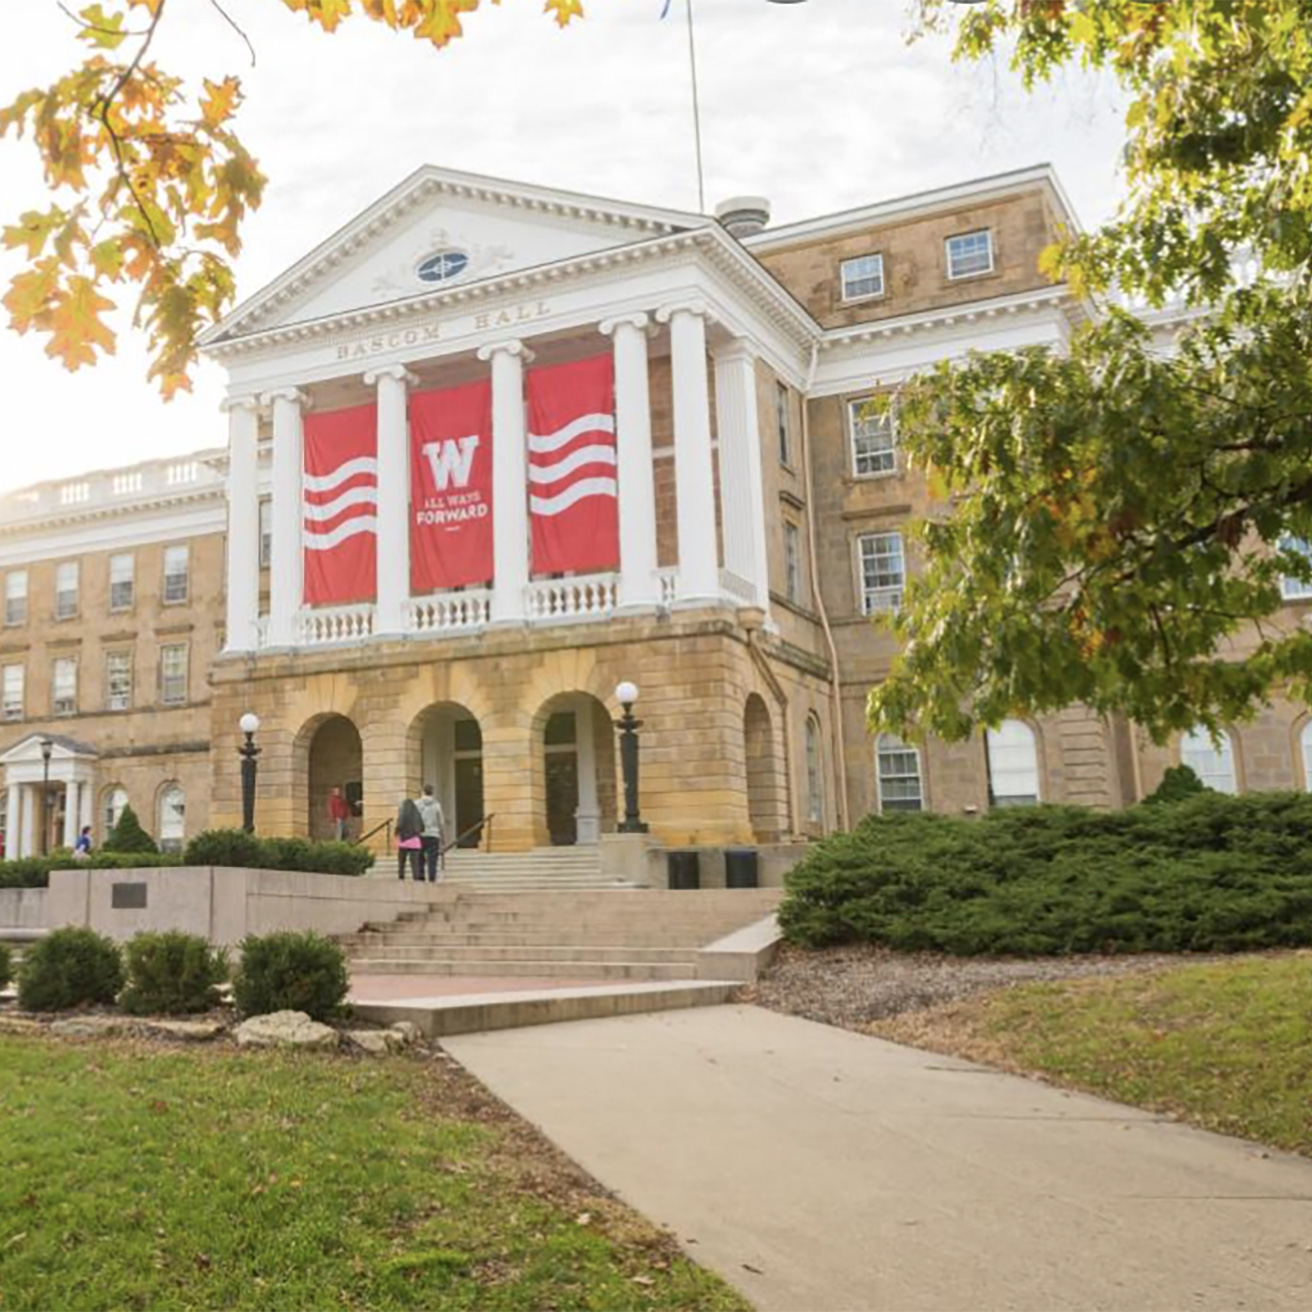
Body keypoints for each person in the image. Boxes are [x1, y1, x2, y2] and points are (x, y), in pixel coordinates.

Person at [415, 784, 445, 884]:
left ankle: (420, 878)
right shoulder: (437, 805)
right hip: (433, 834)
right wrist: (442, 837)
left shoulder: (417, 804)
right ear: (432, 792)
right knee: (432, 859)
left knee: (419, 858)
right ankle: (432, 879)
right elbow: (441, 822)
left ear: (423, 791)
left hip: (419, 834)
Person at [395, 797, 424, 880]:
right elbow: (422, 827)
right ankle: (416, 878)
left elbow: (399, 825)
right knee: (415, 863)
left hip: (404, 841)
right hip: (414, 841)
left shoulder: (402, 813)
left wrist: (397, 832)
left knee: (401, 862)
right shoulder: (417, 813)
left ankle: (401, 876)